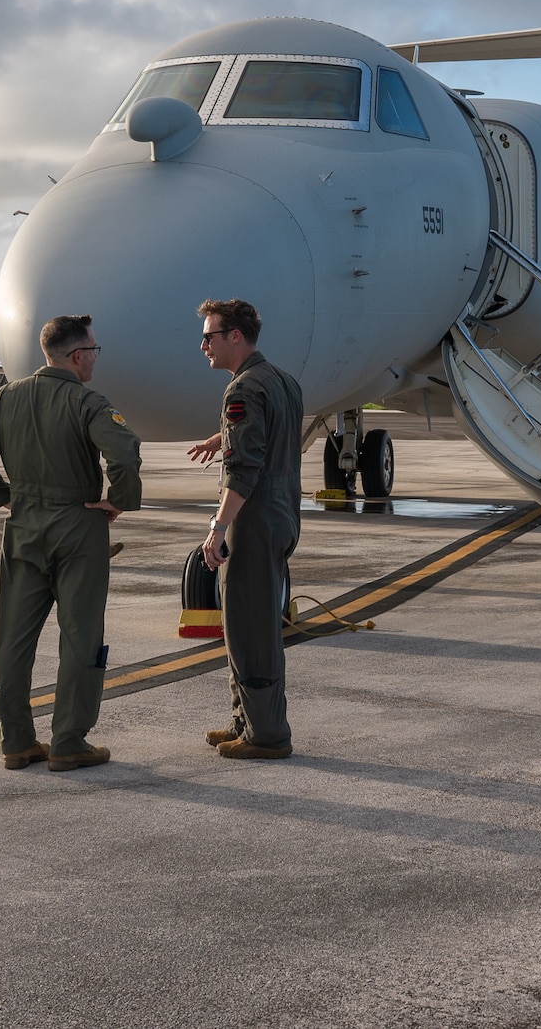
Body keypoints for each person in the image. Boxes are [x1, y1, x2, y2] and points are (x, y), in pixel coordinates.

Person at [0, 315, 142, 773]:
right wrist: (118, 502)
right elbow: (122, 453)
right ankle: (69, 740)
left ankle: (16, 740)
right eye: (94, 351)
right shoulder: (87, 402)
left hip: (23, 526)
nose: (96, 358)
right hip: (78, 526)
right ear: (78, 356)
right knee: (81, 636)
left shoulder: (6, 397)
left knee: (13, 637)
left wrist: (2, 497)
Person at [189, 297, 306, 758]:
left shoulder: (241, 390)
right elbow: (272, 431)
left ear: (235, 337)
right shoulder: (281, 380)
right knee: (248, 623)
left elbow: (244, 470)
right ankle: (247, 720)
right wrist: (223, 435)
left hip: (254, 519)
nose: (203, 345)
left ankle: (267, 734)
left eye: (209, 336)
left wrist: (218, 528)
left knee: (249, 627)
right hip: (282, 513)